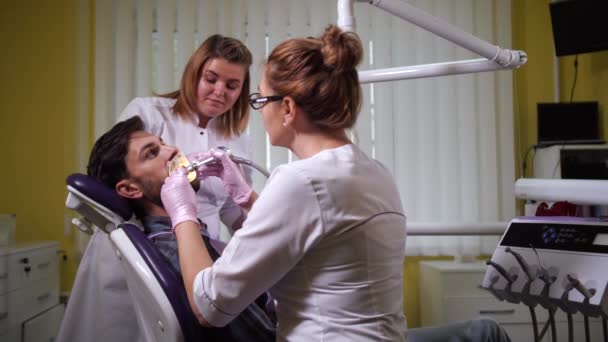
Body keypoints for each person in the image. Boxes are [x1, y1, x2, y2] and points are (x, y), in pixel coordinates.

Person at [162, 25, 408, 341]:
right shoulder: (375, 171)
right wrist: (246, 197)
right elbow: (307, 233)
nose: (260, 111)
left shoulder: (300, 181)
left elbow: (208, 305)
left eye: (261, 99)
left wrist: (183, 213)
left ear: (288, 108)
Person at [59, 116, 275, 341]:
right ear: (130, 189)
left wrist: (246, 198)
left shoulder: (182, 241)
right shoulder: (173, 250)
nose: (172, 150)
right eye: (151, 153)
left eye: (162, 143)